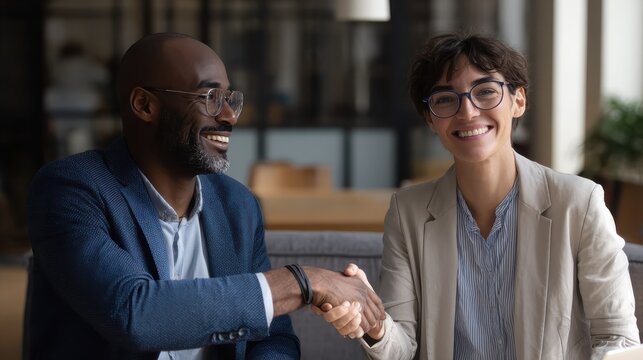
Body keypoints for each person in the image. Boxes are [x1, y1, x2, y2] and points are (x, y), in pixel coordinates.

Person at [26, 32, 384, 359]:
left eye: (230, 99)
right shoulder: (71, 190)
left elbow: (273, 338)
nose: (229, 116)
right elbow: (134, 313)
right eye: (210, 97)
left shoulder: (239, 206)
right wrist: (304, 281)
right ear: (144, 105)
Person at [315, 33, 640, 359]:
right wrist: (374, 323)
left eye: (485, 92)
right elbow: (402, 347)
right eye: (445, 99)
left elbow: (618, 339)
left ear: (518, 101)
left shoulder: (579, 204)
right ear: (430, 119)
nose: (467, 112)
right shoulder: (408, 212)